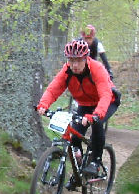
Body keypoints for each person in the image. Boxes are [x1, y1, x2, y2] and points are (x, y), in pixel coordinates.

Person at [37, 39, 119, 179]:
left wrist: (96, 115)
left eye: (78, 60)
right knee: (74, 134)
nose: (74, 65)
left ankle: (96, 162)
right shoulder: (67, 70)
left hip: (107, 101)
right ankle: (78, 171)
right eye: (71, 60)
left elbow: (105, 94)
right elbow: (53, 89)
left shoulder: (97, 69)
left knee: (97, 123)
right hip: (85, 103)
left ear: (86, 58)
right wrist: (43, 104)